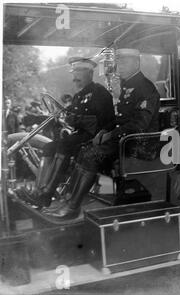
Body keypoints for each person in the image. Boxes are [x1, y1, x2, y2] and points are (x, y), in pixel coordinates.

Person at [44, 48, 161, 220]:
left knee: (91, 155)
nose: (119, 66)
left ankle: (73, 208)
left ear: (137, 63)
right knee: (85, 150)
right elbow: (121, 116)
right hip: (124, 139)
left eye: (124, 62)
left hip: (139, 143)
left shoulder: (145, 88)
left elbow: (139, 124)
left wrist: (110, 135)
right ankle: (69, 201)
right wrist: (104, 130)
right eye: (118, 62)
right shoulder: (128, 84)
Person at [18, 57, 115, 208]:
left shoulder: (100, 93)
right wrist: (35, 118)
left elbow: (100, 122)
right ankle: (39, 191)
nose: (75, 78)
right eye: (74, 74)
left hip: (97, 137)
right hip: (81, 136)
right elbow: (66, 113)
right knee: (49, 147)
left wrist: (75, 120)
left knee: (64, 145)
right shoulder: (78, 96)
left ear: (89, 73)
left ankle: (47, 193)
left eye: (79, 73)